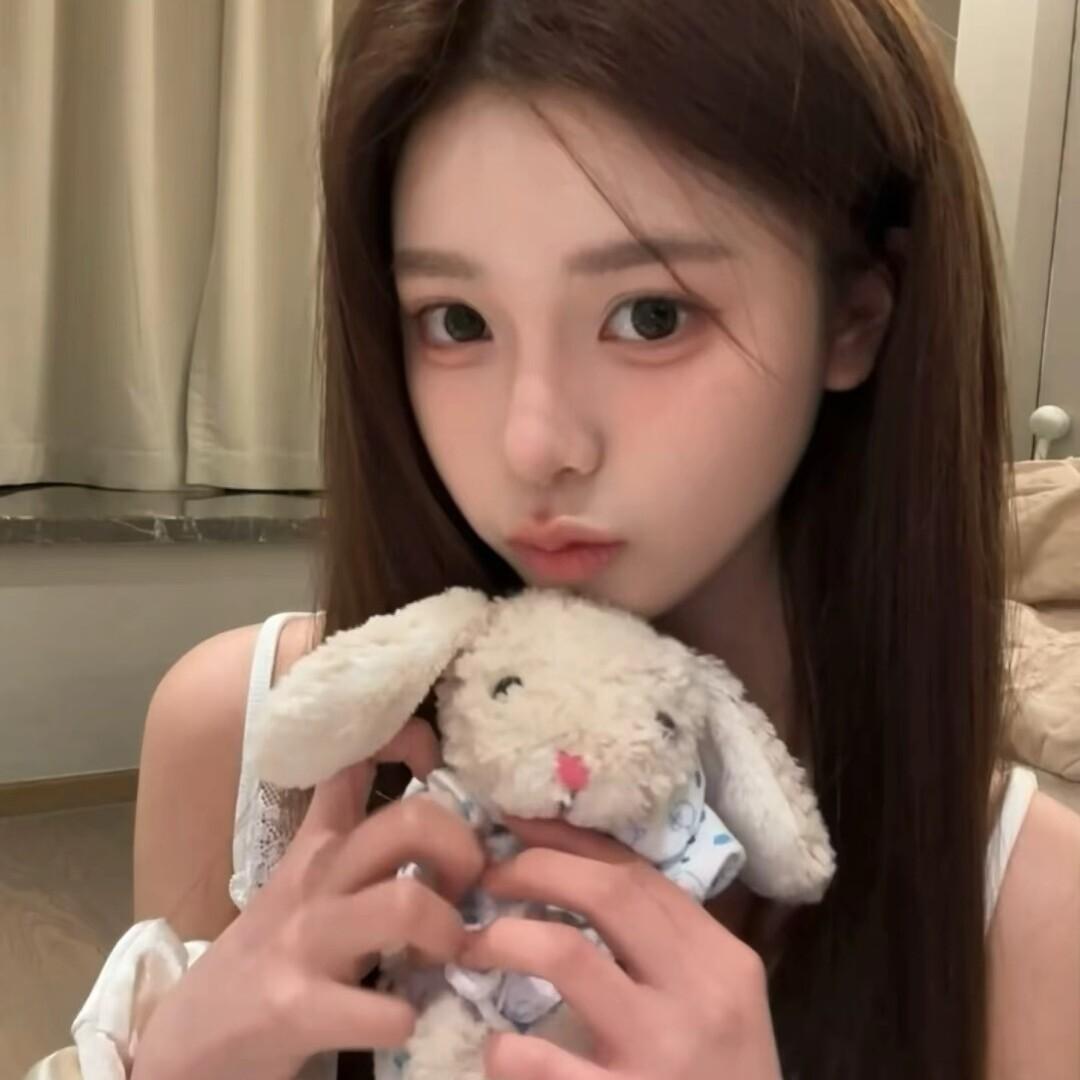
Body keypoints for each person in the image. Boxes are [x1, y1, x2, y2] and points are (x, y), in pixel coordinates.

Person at [25, 2, 1080, 1079]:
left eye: (652, 315)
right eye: (457, 321)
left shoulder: (1033, 908)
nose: (533, 442)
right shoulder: (252, 743)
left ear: (855, 315)